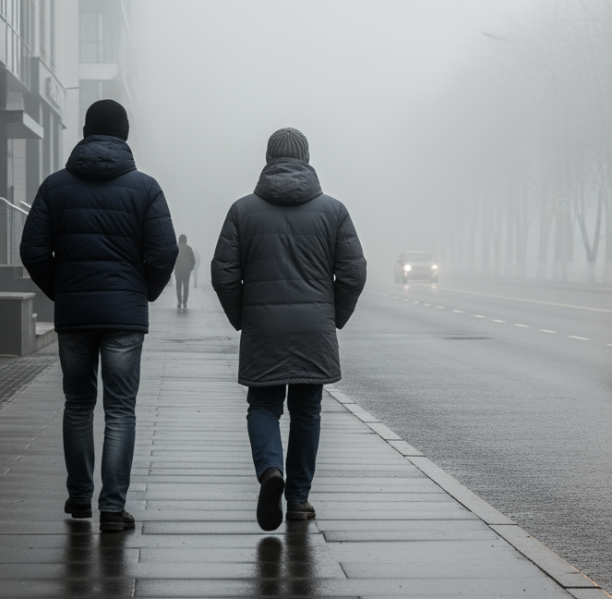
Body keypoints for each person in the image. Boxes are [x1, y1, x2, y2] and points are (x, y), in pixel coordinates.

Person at [20, 99, 178, 533]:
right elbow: (164, 251)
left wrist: (62, 290)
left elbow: (32, 249)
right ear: (125, 135)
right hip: (124, 315)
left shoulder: (55, 186)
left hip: (74, 313)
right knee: (121, 409)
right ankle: (113, 507)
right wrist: (142, 291)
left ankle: (79, 498)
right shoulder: (145, 188)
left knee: (78, 404)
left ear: (85, 132)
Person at [211, 127, 366, 531]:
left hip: (263, 325)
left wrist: (242, 316)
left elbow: (223, 272)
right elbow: (353, 271)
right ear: (307, 159)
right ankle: (297, 499)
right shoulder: (334, 211)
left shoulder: (242, 211)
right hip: (314, 327)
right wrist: (334, 316)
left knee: (263, 406)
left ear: (267, 159)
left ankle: (270, 472)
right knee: (307, 411)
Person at [175, 234, 196, 308]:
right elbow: (193, 260)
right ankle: (185, 302)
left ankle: (179, 302)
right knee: (186, 286)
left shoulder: (176, 247)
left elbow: (171, 259)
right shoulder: (189, 248)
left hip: (178, 270)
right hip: (186, 271)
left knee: (178, 286)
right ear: (186, 240)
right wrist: (190, 268)